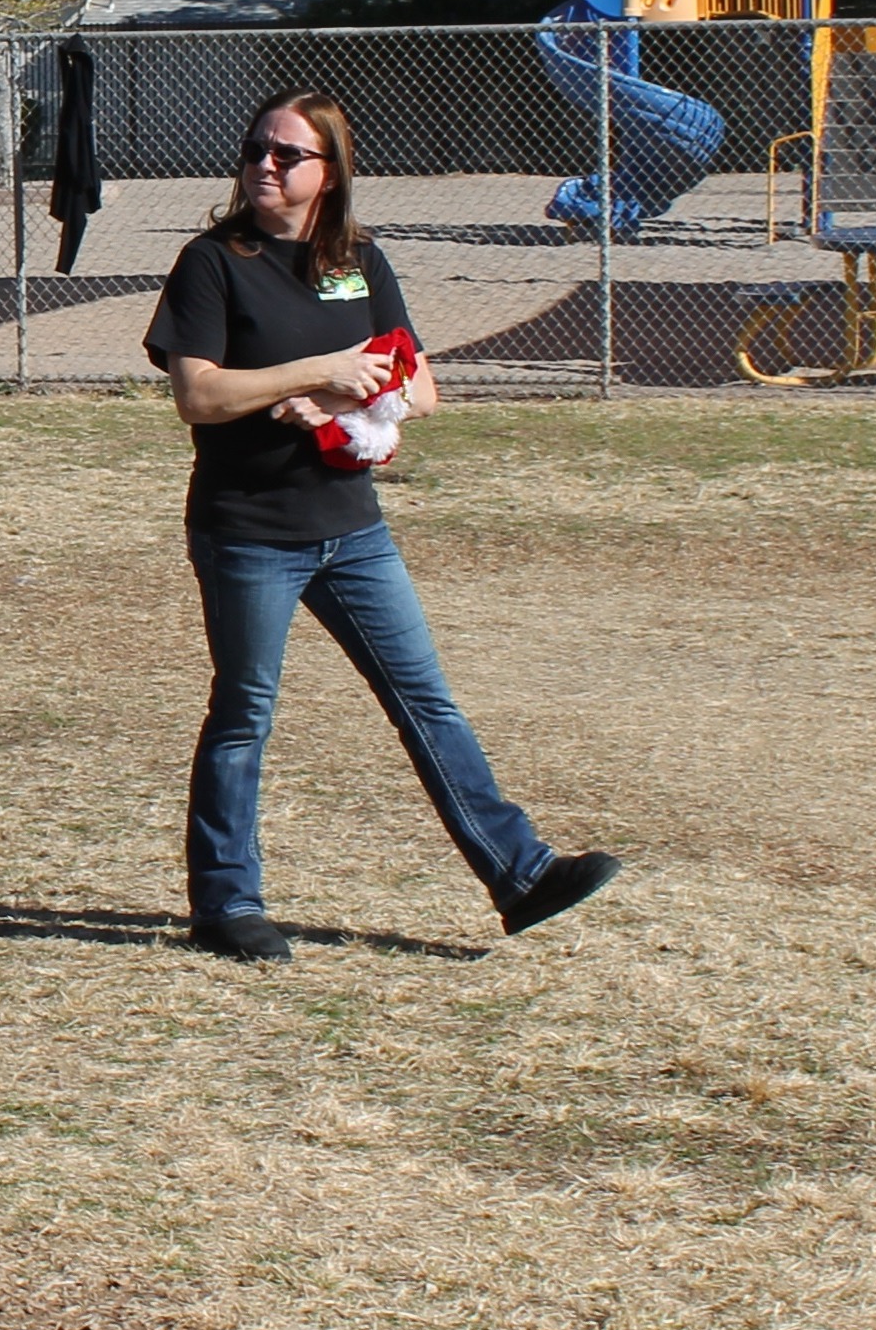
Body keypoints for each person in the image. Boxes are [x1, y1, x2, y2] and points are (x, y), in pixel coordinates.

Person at [142, 91, 621, 962]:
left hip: (352, 528)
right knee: (245, 712)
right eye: (256, 149)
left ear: (330, 172)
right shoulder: (214, 262)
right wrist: (318, 365)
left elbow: (421, 389)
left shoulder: (359, 260)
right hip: (248, 530)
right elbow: (198, 395)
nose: (266, 166)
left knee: (425, 701)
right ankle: (226, 904)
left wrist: (333, 395)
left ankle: (521, 876)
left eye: (288, 155)